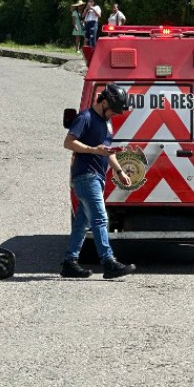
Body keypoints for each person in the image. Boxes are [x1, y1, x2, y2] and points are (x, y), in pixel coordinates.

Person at [61, 83, 136, 280]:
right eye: (113, 110)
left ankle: (69, 262)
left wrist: (119, 171)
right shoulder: (85, 118)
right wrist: (94, 150)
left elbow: (106, 150)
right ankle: (108, 262)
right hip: (86, 176)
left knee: (82, 222)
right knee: (100, 218)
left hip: (96, 176)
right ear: (104, 102)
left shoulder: (106, 122)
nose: (114, 114)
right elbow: (68, 142)